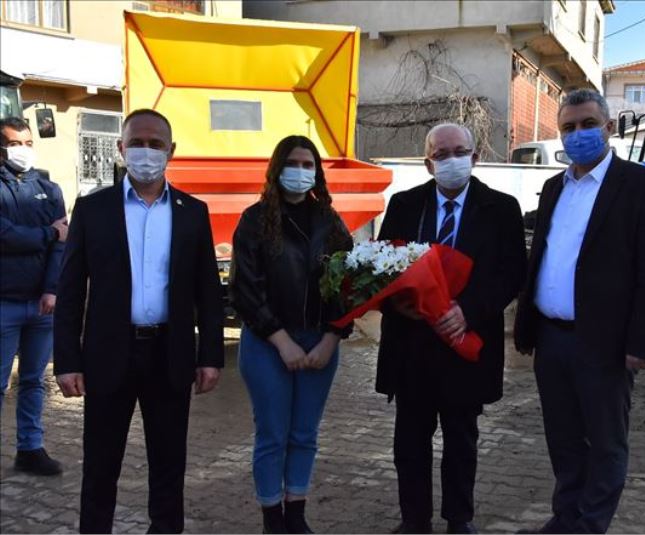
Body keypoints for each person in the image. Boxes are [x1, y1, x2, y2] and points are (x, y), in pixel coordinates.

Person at [53, 109, 224, 534]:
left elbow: (208, 291)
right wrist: (67, 360)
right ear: (120, 148)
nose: (146, 152)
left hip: (169, 354)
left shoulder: (192, 212)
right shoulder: (93, 210)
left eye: (155, 144)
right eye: (137, 143)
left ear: (171, 151)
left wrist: (211, 356)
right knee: (100, 465)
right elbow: (72, 290)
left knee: (168, 466)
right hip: (109, 354)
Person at [514, 89, 645, 534]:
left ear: (609, 127)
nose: (578, 134)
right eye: (568, 127)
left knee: (605, 442)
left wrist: (642, 343)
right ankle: (565, 515)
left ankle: (589, 525)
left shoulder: (644, 186)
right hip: (552, 338)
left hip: (605, 341)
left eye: (587, 124)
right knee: (563, 439)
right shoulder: (553, 187)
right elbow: (543, 258)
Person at [377, 123, 527, 534]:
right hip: (412, 345)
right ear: (428, 163)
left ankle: (459, 518)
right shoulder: (405, 205)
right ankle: (414, 519)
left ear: (475, 157)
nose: (451, 160)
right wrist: (401, 303)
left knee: (461, 439)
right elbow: (382, 268)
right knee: (410, 440)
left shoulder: (502, 208)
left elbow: (511, 272)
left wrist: (469, 311)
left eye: (459, 151)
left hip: (465, 342)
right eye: (441, 155)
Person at [229, 135, 354, 534]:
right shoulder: (255, 220)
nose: (300, 172)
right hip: (268, 344)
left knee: (304, 433)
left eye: (308, 164)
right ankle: (272, 519)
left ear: (316, 172)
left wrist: (333, 336)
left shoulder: (331, 222)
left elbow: (348, 283)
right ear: (276, 168)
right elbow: (245, 289)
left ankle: (296, 513)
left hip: (319, 342)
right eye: (293, 163)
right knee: (273, 433)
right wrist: (279, 338)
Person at [0, 116, 67, 476]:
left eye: (27, 143)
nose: (23, 150)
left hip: (42, 304)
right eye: (14, 144)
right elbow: (5, 236)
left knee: (33, 380)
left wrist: (52, 289)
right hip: (4, 302)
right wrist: (48, 234)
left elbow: (63, 243)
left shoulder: (49, 188)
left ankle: (30, 448)